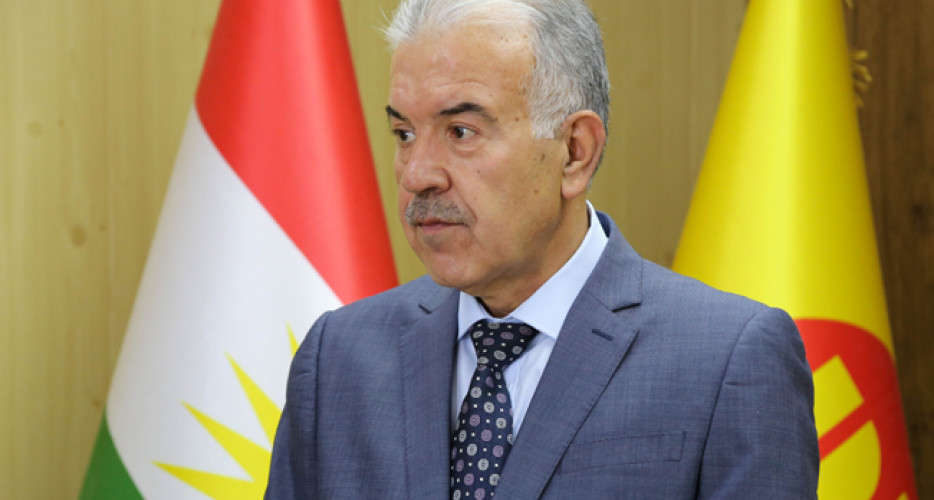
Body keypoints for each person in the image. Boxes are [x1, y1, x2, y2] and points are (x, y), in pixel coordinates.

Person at [265, 0, 819, 498]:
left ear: (575, 152)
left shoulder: (727, 359)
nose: (417, 175)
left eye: (460, 132)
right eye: (405, 134)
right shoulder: (338, 358)